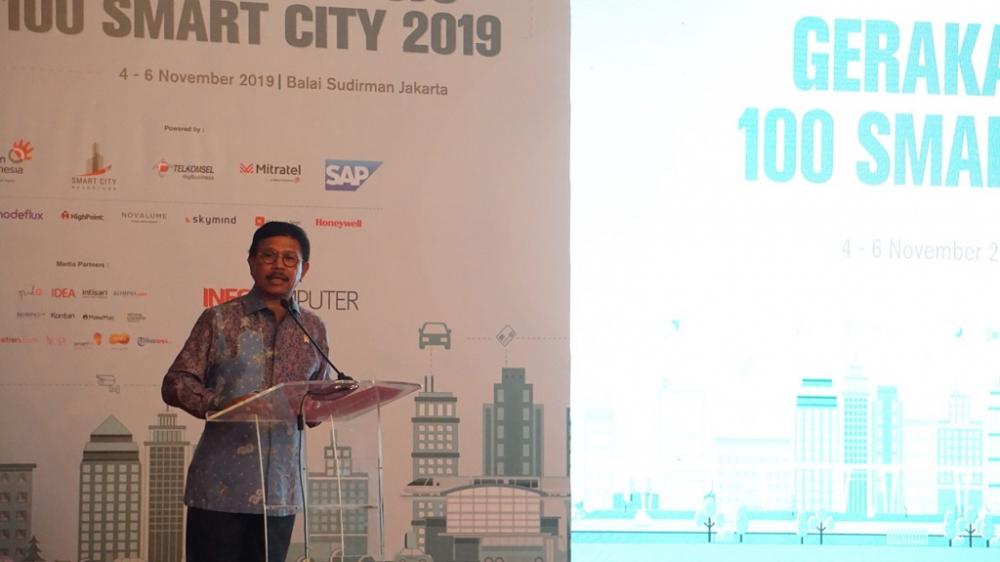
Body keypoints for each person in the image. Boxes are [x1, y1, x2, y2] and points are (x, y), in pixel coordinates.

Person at [162, 221, 330, 562]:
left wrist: (328, 404)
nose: (279, 265)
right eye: (269, 256)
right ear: (252, 262)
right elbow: (176, 382)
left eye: (290, 259)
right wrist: (223, 404)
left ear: (304, 269)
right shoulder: (219, 319)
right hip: (221, 489)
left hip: (281, 491)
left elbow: (316, 400)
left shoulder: (313, 328)